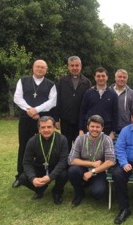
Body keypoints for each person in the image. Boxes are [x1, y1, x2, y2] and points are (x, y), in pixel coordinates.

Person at [13, 59, 57, 188]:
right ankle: (20, 175)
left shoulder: (51, 84)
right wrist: (30, 110)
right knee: (24, 146)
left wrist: (36, 110)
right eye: (37, 67)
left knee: (43, 146)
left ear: (46, 69)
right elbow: (17, 97)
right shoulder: (23, 81)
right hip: (26, 118)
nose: (40, 69)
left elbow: (52, 102)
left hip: (43, 120)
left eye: (43, 67)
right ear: (33, 68)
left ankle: (42, 173)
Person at [18, 116, 68, 205]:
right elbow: (26, 162)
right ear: (39, 129)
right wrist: (33, 178)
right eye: (43, 127)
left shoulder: (62, 139)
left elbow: (63, 161)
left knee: (64, 174)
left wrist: (50, 177)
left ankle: (57, 192)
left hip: (55, 167)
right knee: (23, 178)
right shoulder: (32, 141)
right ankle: (40, 189)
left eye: (49, 127)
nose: (46, 130)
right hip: (40, 167)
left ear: (54, 127)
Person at [68, 115, 116, 207]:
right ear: (87, 127)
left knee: (98, 194)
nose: (95, 129)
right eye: (92, 126)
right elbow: (71, 160)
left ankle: (93, 183)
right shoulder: (80, 138)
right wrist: (92, 164)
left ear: (102, 128)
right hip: (83, 168)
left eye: (98, 127)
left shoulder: (107, 139)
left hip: (99, 171)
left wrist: (92, 171)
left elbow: (111, 161)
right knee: (72, 171)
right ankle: (79, 193)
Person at [54, 56, 91, 150]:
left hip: (81, 121)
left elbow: (89, 103)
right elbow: (57, 100)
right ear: (68, 67)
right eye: (72, 65)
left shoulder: (86, 82)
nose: (74, 68)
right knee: (65, 145)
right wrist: (56, 119)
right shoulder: (62, 81)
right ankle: (66, 164)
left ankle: (78, 164)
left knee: (81, 146)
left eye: (77, 65)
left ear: (81, 66)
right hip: (66, 119)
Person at [79, 67, 118, 140]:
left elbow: (115, 114)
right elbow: (82, 111)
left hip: (106, 129)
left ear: (107, 77)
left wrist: (113, 131)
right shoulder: (88, 93)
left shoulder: (113, 94)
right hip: (90, 128)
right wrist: (81, 129)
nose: (101, 78)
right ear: (95, 77)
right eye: (98, 76)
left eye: (103, 76)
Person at [110, 69, 133, 133]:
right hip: (110, 128)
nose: (122, 79)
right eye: (119, 77)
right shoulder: (108, 91)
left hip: (126, 128)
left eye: (124, 77)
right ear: (115, 78)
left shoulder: (131, 93)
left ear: (127, 80)